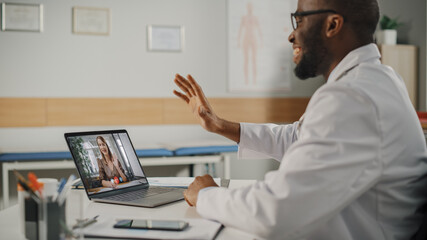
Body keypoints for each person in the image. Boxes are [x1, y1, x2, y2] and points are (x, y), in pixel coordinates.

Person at [172, 0, 427, 239]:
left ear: (332, 25)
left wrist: (206, 195)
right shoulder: (378, 79)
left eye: (300, 20)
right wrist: (219, 124)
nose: (292, 34)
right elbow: (298, 137)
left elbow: (276, 211)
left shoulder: (351, 97)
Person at [237, 2, 262, 85]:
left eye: (251, 7)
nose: (250, 8)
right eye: (249, 7)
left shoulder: (255, 18)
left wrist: (261, 41)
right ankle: (246, 80)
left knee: (254, 60)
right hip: (246, 38)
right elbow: (240, 30)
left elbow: (259, 30)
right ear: (247, 8)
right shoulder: (244, 18)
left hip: (253, 38)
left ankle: (254, 80)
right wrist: (238, 41)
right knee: (246, 60)